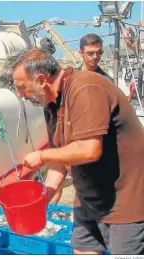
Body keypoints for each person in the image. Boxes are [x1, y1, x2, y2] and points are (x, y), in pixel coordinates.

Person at [11, 48, 144, 255]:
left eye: (21, 87)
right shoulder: (51, 104)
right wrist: (43, 199)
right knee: (82, 251)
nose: (20, 94)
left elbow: (89, 149)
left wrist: (41, 156)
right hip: (88, 199)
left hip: (125, 201)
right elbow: (60, 159)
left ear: (41, 80)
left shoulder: (85, 87)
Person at [47, 33, 113, 204]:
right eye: (90, 53)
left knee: (84, 189)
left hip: (91, 140)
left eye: (99, 53)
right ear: (80, 53)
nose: (95, 57)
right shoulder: (69, 79)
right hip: (70, 136)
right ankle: (46, 215)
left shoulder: (107, 81)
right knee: (56, 181)